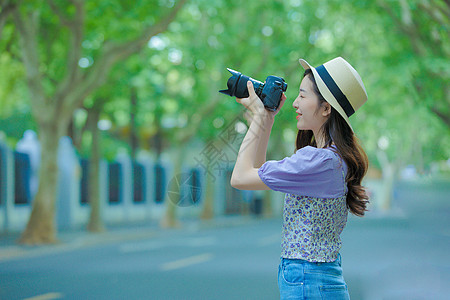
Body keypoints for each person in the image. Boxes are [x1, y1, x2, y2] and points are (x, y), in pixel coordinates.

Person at [230, 57, 369, 299]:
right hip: (318, 279)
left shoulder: (318, 161)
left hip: (308, 280)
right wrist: (267, 118)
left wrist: (258, 117)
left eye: (303, 96)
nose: (294, 103)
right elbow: (258, 171)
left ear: (326, 108)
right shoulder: (331, 159)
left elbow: (240, 177)